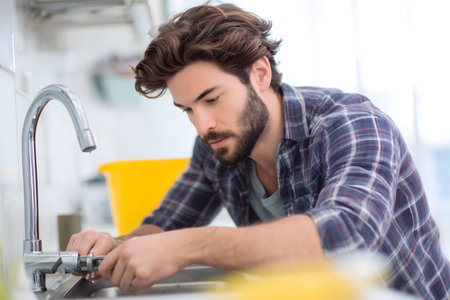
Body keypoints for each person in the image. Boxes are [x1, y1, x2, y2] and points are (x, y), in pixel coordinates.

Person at [67, 3, 450, 298]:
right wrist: (113, 246)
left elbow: (349, 234)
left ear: (260, 74)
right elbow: (166, 225)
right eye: (187, 110)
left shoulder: (352, 123)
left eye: (212, 99)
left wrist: (187, 247)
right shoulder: (218, 143)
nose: (202, 125)